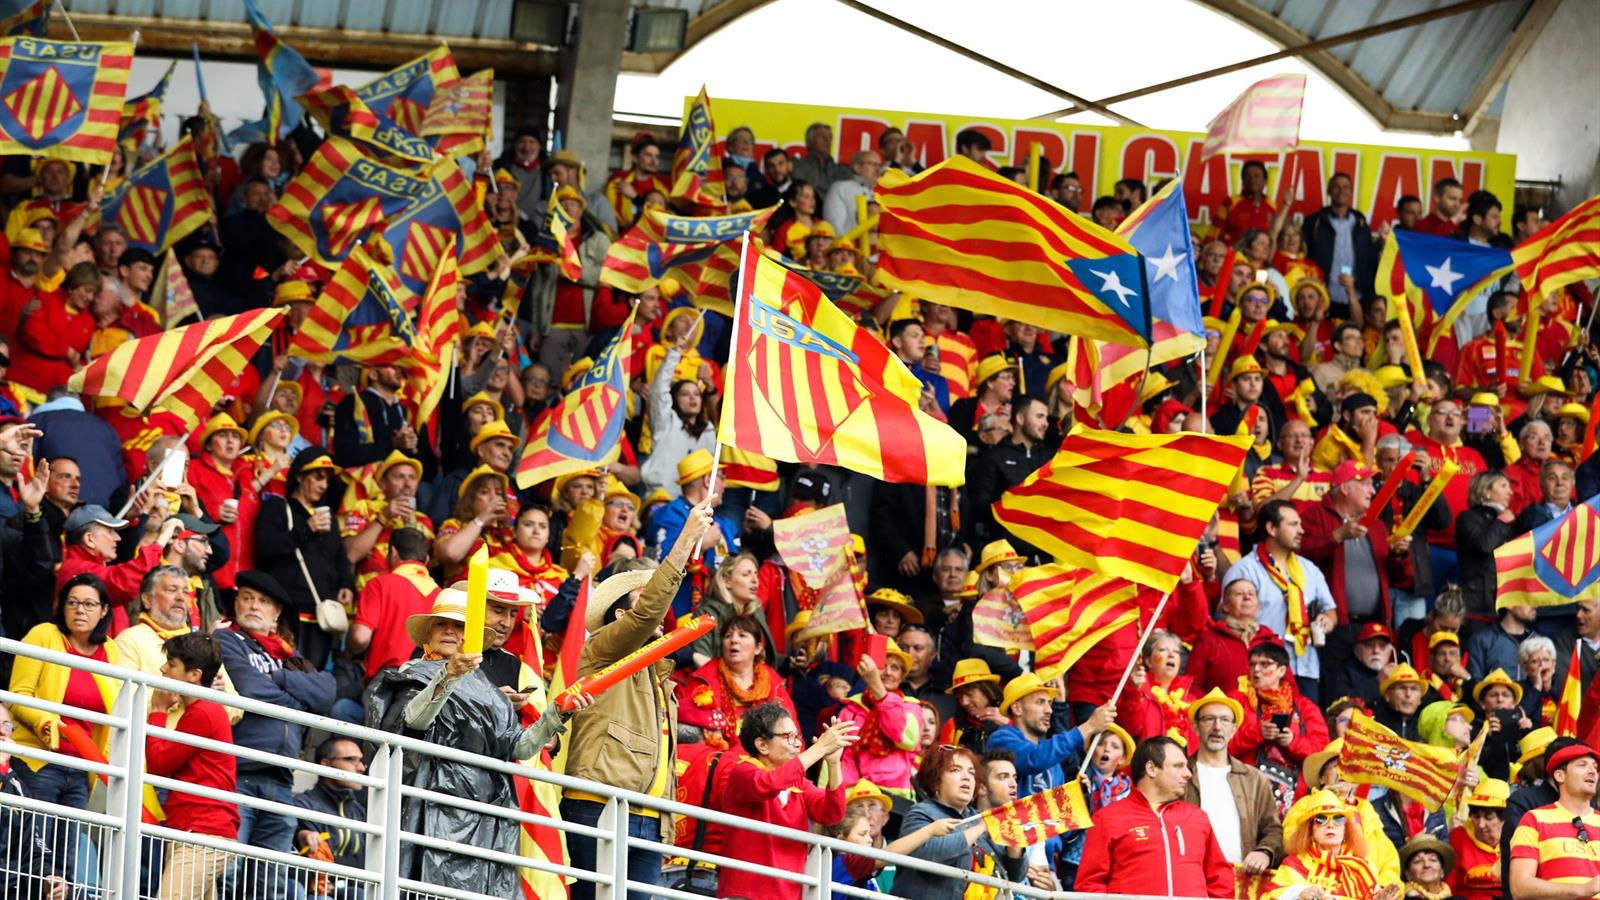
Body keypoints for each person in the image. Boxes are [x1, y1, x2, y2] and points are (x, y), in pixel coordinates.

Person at [365, 585, 581, 898]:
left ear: (471, 636)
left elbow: (517, 746)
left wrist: (555, 715)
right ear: (428, 633)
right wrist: (447, 676)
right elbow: (412, 721)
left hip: (485, 815)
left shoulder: (488, 689)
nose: (449, 631)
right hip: (429, 804)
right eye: (441, 624)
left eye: (459, 625)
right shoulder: (413, 673)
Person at [562, 496, 717, 900]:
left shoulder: (657, 671)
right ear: (621, 617)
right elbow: (647, 614)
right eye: (643, 598)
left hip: (649, 815)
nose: (658, 612)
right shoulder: (603, 648)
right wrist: (686, 541)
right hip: (601, 803)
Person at [213, 570, 336, 897]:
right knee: (227, 871)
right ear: (236, 603)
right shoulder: (226, 640)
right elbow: (250, 688)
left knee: (271, 883)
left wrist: (279, 679)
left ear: (276, 612)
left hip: (281, 779)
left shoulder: (288, 655)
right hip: (238, 771)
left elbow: (326, 692)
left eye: (263, 601)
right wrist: (299, 702)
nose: (254, 606)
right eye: (247, 598)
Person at [7, 574, 122, 883]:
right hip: (39, 760)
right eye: (73, 603)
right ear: (62, 607)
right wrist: (45, 722)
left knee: (65, 860)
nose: (80, 610)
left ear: (104, 610)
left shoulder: (111, 651)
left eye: (89, 604)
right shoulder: (44, 634)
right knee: (34, 855)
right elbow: (18, 694)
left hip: (81, 767)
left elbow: (117, 710)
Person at [716, 703, 858, 900]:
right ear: (762, 745)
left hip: (788, 894)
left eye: (797, 736)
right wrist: (820, 748)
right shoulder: (742, 772)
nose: (798, 744)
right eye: (788, 736)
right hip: (747, 893)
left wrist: (833, 763)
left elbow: (832, 815)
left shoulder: (799, 782)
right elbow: (770, 784)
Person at [1077, 736, 1236, 897]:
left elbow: (1221, 880)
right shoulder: (1108, 818)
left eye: (1186, 767)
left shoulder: (1197, 817)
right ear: (1151, 768)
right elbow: (1089, 885)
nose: (1188, 774)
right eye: (1178, 766)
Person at [146, 632, 238, 900]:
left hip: (202, 833)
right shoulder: (204, 710)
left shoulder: (203, 712)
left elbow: (158, 763)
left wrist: (158, 711)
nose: (163, 669)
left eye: (171, 664)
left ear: (194, 675)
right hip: (198, 830)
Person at [1224, 501, 1337, 701]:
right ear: (1271, 528)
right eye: (1293, 524)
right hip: (1262, 670)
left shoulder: (1309, 570)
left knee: (1304, 720)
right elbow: (1228, 618)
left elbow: (1331, 611)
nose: (1301, 530)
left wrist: (1327, 620)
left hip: (1305, 667)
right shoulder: (1244, 570)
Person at [253, 448, 354, 670]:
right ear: (299, 476)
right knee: (283, 671)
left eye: (326, 480)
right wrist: (306, 529)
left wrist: (347, 583)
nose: (324, 485)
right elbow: (265, 549)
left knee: (312, 674)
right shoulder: (277, 507)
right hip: (286, 612)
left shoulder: (328, 516)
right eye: (318, 477)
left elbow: (340, 556)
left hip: (321, 614)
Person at [891, 743, 1027, 899]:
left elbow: (1016, 876)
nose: (966, 777)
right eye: (955, 770)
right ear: (936, 780)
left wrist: (1015, 846)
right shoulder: (920, 812)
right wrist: (979, 828)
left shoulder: (978, 818)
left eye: (971, 772)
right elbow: (928, 854)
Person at [1184, 688, 1284, 877]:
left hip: (1241, 878)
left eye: (1225, 720)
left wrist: (1265, 852)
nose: (1217, 727)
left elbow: (1273, 829)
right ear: (1196, 727)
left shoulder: (1253, 778)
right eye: (1209, 719)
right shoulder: (1180, 774)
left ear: (1234, 729)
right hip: (1193, 877)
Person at [1230, 641, 1331, 815]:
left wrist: (1293, 742)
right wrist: (1257, 733)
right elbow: (1222, 746)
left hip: (1295, 801)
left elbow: (1322, 754)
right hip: (1243, 795)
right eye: (1252, 664)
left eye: (1265, 664)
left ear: (1282, 670)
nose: (1256, 670)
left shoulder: (1305, 707)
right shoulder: (1236, 701)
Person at [676, 613, 796, 751]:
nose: (733, 640)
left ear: (758, 648)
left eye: (742, 635)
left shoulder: (773, 683)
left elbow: (791, 733)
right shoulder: (702, 680)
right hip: (716, 759)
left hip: (766, 758)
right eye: (728, 636)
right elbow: (687, 731)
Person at [1270, 789, 1400, 900]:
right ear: (1309, 830)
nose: (1330, 825)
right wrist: (1300, 894)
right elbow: (1272, 896)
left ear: (1346, 829)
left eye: (1338, 819)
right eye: (1321, 819)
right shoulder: (1295, 864)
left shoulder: (1362, 867)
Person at [1508, 743, 1600, 898]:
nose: (1592, 771)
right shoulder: (1534, 820)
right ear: (1559, 776)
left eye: (1595, 767)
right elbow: (1519, 887)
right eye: (1582, 765)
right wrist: (1581, 890)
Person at [347, 527, 439, 681]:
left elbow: (360, 638)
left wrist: (348, 651)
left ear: (393, 553)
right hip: (425, 683)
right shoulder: (441, 595)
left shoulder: (379, 584)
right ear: (427, 559)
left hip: (385, 682)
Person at [292, 738, 368, 895]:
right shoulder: (303, 805)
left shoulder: (359, 811)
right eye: (351, 759)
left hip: (348, 888)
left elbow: (367, 862)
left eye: (361, 761)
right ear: (326, 765)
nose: (361, 768)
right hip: (316, 889)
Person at [1448, 777, 1509, 900]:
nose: (1481, 825)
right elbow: (1449, 886)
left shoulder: (1517, 838)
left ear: (1504, 819)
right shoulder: (1458, 837)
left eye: (1488, 817)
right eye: (1476, 816)